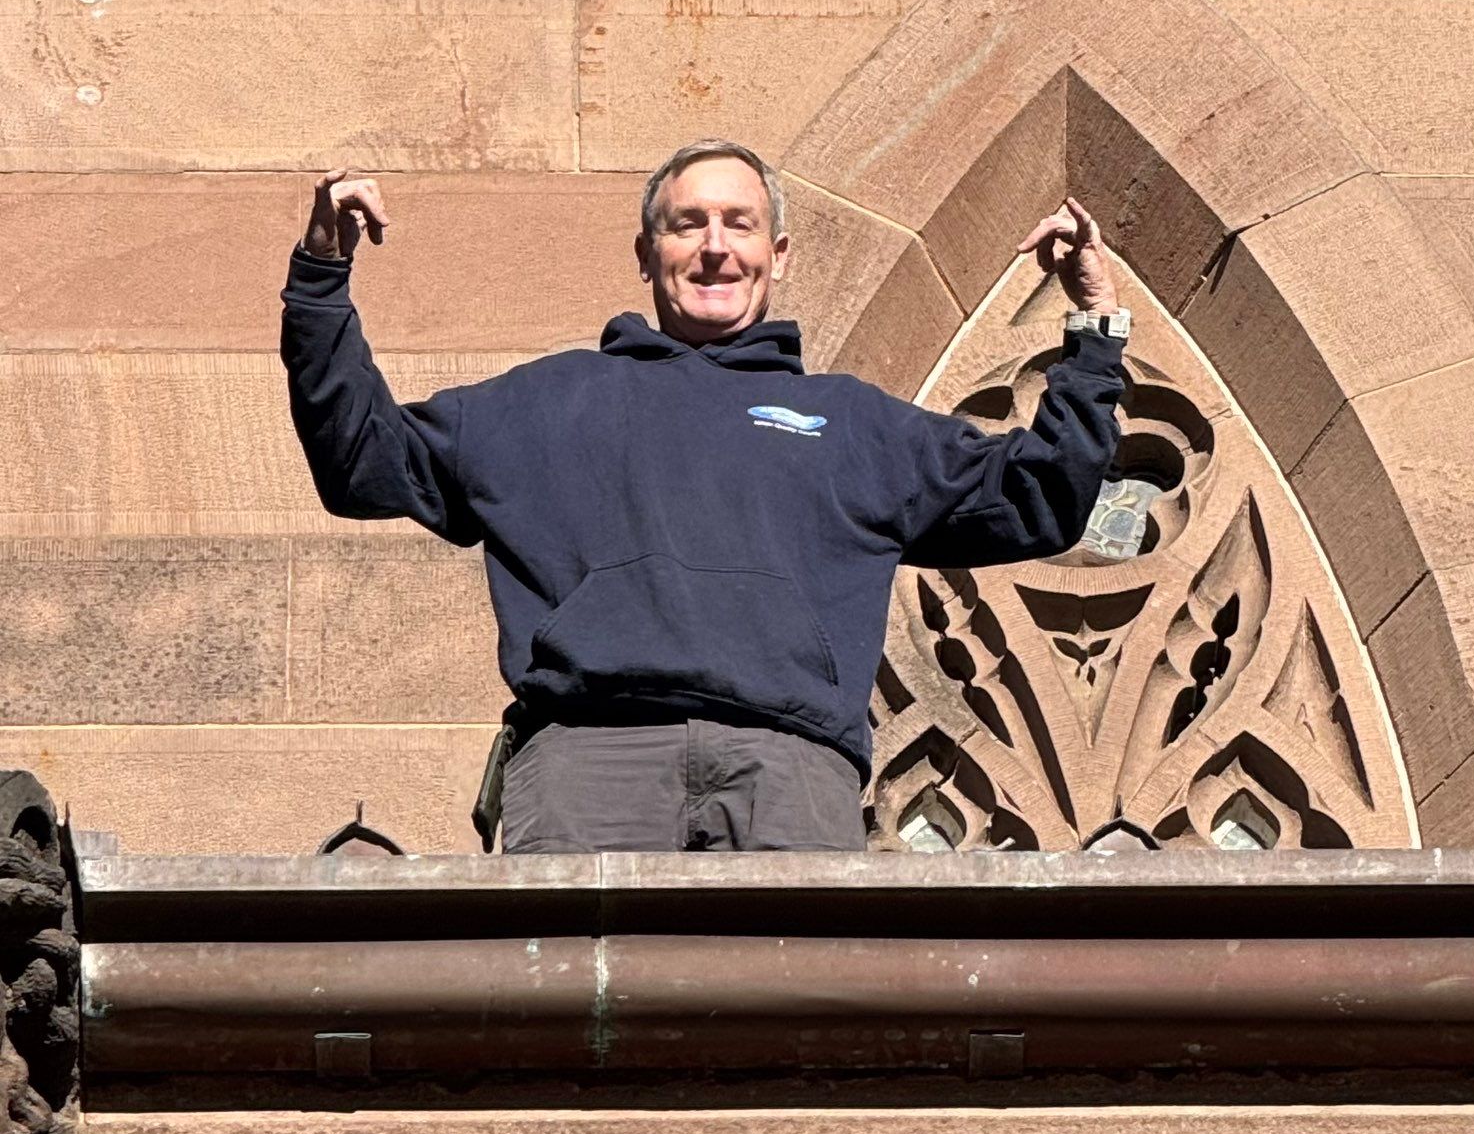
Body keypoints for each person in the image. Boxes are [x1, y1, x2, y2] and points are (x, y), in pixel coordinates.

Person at [280, 139, 1132, 854]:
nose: (716, 246)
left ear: (779, 254)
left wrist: (1095, 327)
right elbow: (362, 460)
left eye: (741, 223)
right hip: (590, 762)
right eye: (688, 224)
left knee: (799, 1034)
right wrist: (322, 275)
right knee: (575, 1022)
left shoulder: (853, 425)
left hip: (793, 765)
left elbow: (1041, 495)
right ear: (647, 253)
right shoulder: (542, 405)